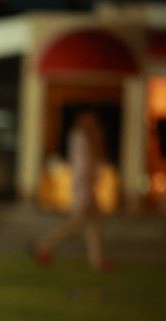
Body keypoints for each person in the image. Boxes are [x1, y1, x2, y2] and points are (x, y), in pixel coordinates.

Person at [32, 110, 113, 271]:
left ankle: (97, 261)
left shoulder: (84, 136)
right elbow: (89, 159)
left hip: (88, 184)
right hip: (83, 185)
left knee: (94, 224)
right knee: (77, 223)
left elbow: (97, 158)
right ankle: (43, 245)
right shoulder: (80, 137)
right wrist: (96, 137)